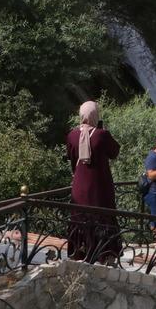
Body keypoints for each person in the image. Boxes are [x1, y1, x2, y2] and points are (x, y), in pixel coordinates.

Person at [66, 100, 122, 264]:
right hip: (100, 184)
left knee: (80, 217)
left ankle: (80, 252)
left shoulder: (72, 134)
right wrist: (101, 131)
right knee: (103, 215)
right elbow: (114, 152)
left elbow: (71, 157)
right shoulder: (102, 135)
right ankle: (104, 254)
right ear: (96, 115)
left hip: (79, 184)